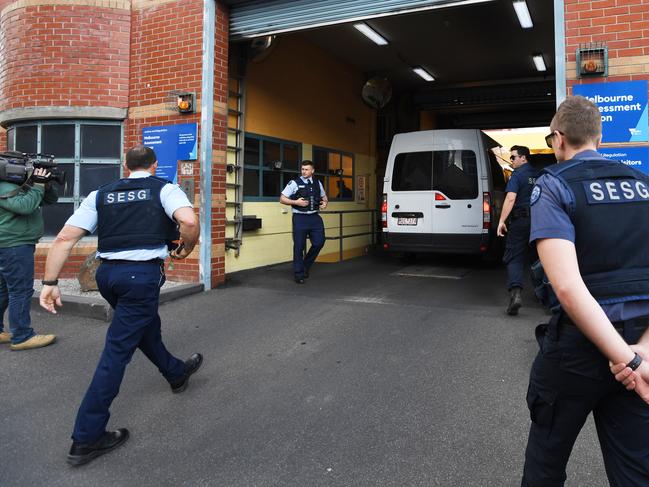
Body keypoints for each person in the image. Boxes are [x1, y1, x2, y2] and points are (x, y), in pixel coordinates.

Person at [39, 145, 203, 466]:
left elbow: (63, 239)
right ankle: (86, 438)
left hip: (108, 277)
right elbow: (189, 222)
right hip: (140, 277)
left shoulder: (101, 193)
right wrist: (186, 248)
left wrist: (49, 282)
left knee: (145, 327)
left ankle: (176, 372)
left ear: (127, 166)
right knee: (116, 351)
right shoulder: (165, 189)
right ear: (154, 166)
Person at [521, 96, 649, 486]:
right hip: (639, 350)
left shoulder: (554, 186)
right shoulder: (643, 186)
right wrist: (641, 352)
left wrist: (626, 360)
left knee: (546, 460)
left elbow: (567, 286)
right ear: (599, 137)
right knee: (636, 470)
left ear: (558, 138)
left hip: (579, 353)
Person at [0, 166, 58, 350]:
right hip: (13, 245)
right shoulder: (3, 187)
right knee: (20, 290)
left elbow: (50, 200)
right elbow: (25, 207)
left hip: (11, 244)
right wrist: (37, 186)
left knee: (3, 290)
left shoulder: (17, 185)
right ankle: (22, 336)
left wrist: (45, 185)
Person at [497, 145, 542, 315]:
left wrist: (502, 220)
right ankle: (542, 294)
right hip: (538, 221)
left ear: (523, 158)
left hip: (520, 221)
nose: (512, 160)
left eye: (513, 157)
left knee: (514, 256)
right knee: (537, 258)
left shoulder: (517, 175)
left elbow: (510, 198)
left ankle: (515, 295)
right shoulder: (538, 174)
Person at [279, 160, 328, 284]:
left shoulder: (318, 183)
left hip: (315, 218)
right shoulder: (294, 183)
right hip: (300, 218)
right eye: (302, 169)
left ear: (312, 171)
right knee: (299, 246)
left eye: (306, 169)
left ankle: (305, 265)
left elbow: (324, 198)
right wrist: (296, 202)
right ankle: (299, 274)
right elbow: (282, 198)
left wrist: (324, 204)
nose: (304, 171)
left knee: (319, 242)